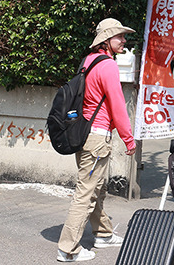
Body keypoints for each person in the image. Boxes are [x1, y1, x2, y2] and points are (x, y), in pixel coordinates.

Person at [57, 18, 137, 263]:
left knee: (97, 188)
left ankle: (103, 234)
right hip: (97, 137)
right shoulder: (108, 66)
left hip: (84, 134)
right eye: (119, 36)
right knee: (86, 193)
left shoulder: (88, 61)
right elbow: (117, 106)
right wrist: (129, 139)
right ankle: (68, 249)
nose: (124, 40)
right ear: (106, 39)